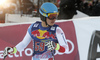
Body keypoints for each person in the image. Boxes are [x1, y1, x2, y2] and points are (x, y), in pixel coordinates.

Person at [3, 2, 68, 60]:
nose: (54, 19)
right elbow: (23, 44)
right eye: (51, 16)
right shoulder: (33, 27)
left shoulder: (57, 30)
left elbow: (66, 49)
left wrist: (56, 46)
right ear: (43, 16)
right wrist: (13, 49)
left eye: (56, 16)